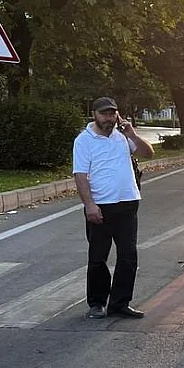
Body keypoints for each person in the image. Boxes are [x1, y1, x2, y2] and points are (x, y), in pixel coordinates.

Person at [72, 97, 155, 320]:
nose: (108, 118)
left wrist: (132, 134)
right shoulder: (84, 141)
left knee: (128, 256)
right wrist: (89, 204)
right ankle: (97, 303)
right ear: (94, 115)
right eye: (104, 114)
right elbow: (80, 176)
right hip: (100, 207)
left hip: (128, 203)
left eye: (112, 114)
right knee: (98, 257)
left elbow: (148, 154)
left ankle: (120, 303)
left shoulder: (122, 136)